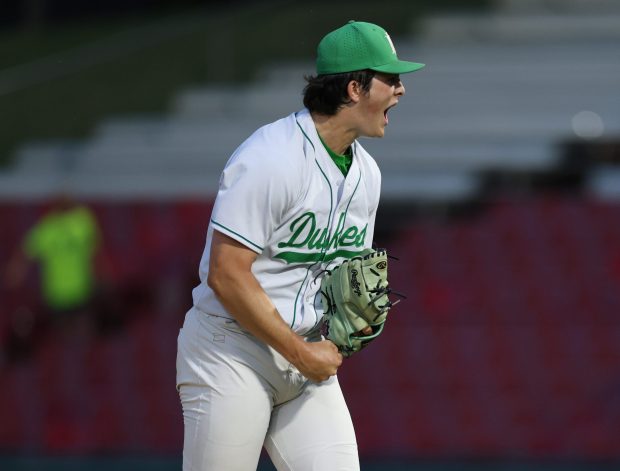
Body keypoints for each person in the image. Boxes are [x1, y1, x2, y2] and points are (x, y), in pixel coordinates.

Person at [176, 20, 424, 470]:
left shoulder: (367, 174)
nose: (401, 90)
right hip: (231, 350)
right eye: (391, 79)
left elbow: (344, 277)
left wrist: (344, 326)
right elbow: (226, 273)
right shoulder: (271, 157)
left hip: (306, 356)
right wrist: (299, 351)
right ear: (354, 88)